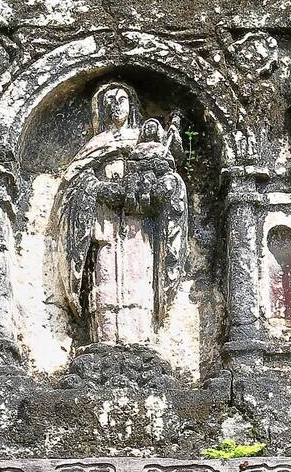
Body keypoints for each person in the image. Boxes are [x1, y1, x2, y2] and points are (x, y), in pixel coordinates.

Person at [53, 81, 189, 346]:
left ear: (132, 105)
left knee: (139, 270)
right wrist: (101, 189)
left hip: (140, 223)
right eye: (110, 101)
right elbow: (75, 183)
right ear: (102, 110)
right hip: (104, 220)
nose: (116, 105)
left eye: (122, 99)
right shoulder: (96, 145)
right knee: (105, 272)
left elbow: (166, 176)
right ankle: (103, 341)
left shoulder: (147, 142)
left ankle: (140, 341)